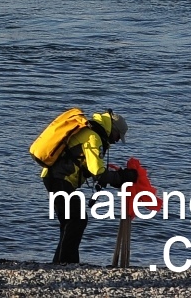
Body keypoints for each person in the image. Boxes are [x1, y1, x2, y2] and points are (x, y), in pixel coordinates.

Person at [42, 111, 131, 264]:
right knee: (77, 220)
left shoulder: (91, 132)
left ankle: (61, 263)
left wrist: (116, 178)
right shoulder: (93, 137)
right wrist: (121, 178)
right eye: (118, 136)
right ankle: (65, 263)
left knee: (70, 222)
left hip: (55, 179)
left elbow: (90, 168)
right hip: (60, 180)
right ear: (113, 130)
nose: (116, 141)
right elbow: (98, 172)